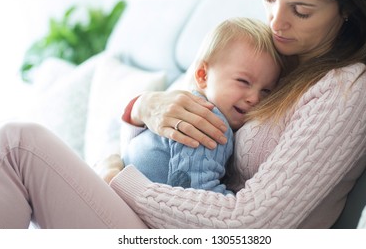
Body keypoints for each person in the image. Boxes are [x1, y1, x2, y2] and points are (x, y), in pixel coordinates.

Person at [0, 0, 366, 229]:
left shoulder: (349, 89)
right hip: (151, 216)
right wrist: (141, 108)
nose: (276, 23)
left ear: (347, 12)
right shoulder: (258, 54)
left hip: (188, 229)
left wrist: (122, 182)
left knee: (18, 146)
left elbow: (252, 225)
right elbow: (150, 142)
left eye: (301, 11)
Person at [120, 18, 282, 195]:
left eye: (266, 91)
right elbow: (195, 193)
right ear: (203, 75)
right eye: (243, 81)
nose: (255, 98)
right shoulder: (209, 122)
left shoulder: (185, 102)